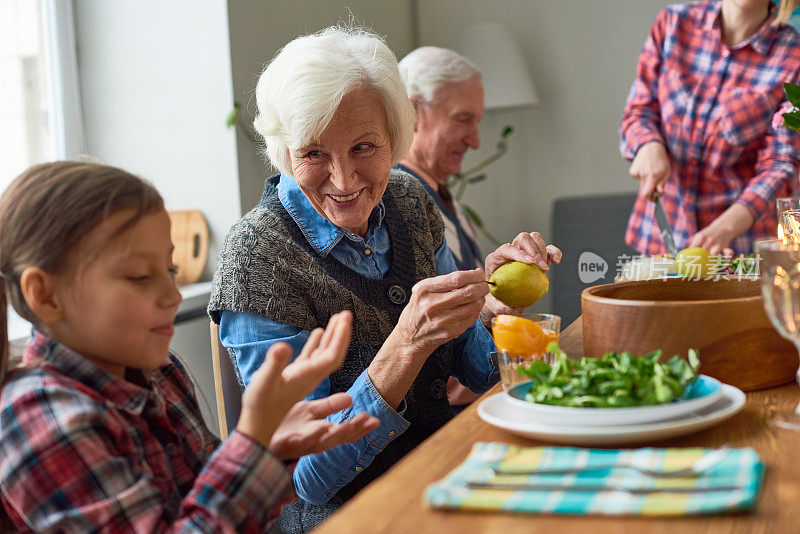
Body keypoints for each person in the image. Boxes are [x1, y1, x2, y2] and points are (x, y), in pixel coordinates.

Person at [208, 26, 561, 533]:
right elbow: (306, 474)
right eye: (313, 154)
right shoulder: (257, 260)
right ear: (284, 151)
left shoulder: (408, 201)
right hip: (346, 519)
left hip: (445, 478)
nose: (345, 180)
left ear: (396, 137)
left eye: (364, 147)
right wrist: (403, 348)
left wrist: (496, 310)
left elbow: (477, 369)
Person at [0, 161, 379, 532]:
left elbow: (208, 494)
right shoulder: (42, 420)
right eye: (140, 277)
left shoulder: (160, 372)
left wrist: (269, 448)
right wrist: (250, 440)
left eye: (170, 272)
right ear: (45, 295)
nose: (172, 295)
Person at [620, 0, 800, 257]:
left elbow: (783, 164)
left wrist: (725, 228)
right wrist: (648, 145)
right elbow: (640, 109)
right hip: (658, 243)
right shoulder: (672, 23)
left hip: (739, 250)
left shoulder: (794, 55)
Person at [398, 46, 484, 272]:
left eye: (477, 122)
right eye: (463, 119)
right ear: (412, 111)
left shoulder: (440, 194)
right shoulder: (398, 201)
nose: (475, 142)